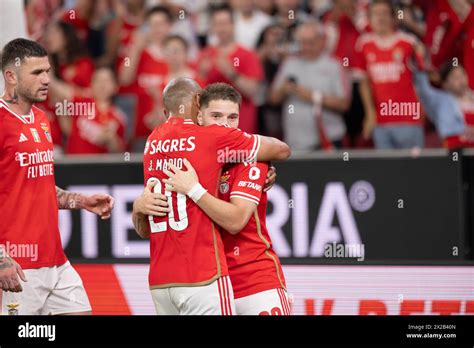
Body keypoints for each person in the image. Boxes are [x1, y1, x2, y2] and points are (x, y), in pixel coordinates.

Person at [131, 78, 291, 315]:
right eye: (216, 117)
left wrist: (194, 190)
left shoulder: (250, 159)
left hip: (254, 282)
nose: (224, 125)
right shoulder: (197, 152)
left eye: (232, 118)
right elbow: (148, 229)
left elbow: (236, 221)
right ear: (199, 115)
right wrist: (137, 208)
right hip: (214, 281)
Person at [0, 38, 114, 315]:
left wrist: (80, 201)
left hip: (56, 260)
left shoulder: (41, 119)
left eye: (48, 71)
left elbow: (38, 186)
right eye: (37, 73)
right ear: (11, 76)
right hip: (18, 266)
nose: (47, 79)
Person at [353, 0, 426, 149]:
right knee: (386, 170)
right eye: (375, 14)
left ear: (393, 17)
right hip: (381, 121)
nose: (380, 18)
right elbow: (363, 83)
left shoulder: (409, 43)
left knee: (414, 169)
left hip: (409, 118)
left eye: (384, 13)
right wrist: (370, 113)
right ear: (369, 18)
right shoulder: (363, 44)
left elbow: (424, 77)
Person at [270, 21, 351, 151]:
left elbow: (344, 104)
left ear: (321, 41)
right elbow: (273, 98)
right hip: (295, 142)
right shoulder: (289, 63)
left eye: (311, 43)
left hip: (329, 140)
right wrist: (284, 89)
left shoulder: (334, 65)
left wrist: (311, 96)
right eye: (302, 42)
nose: (306, 47)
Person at [197, 4, 263, 134]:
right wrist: (201, 74)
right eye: (218, 24)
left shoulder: (247, 55)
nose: (222, 28)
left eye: (225, 23)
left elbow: (252, 90)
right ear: (213, 27)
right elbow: (196, 96)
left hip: (242, 129)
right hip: (211, 131)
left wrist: (232, 74)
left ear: (233, 25)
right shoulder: (204, 56)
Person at [48, 66, 127, 154]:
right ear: (91, 84)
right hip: (73, 163)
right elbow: (54, 86)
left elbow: (120, 152)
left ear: (115, 87)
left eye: (107, 81)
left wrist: (111, 140)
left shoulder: (118, 117)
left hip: (99, 166)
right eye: (98, 80)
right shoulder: (82, 101)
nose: (102, 85)